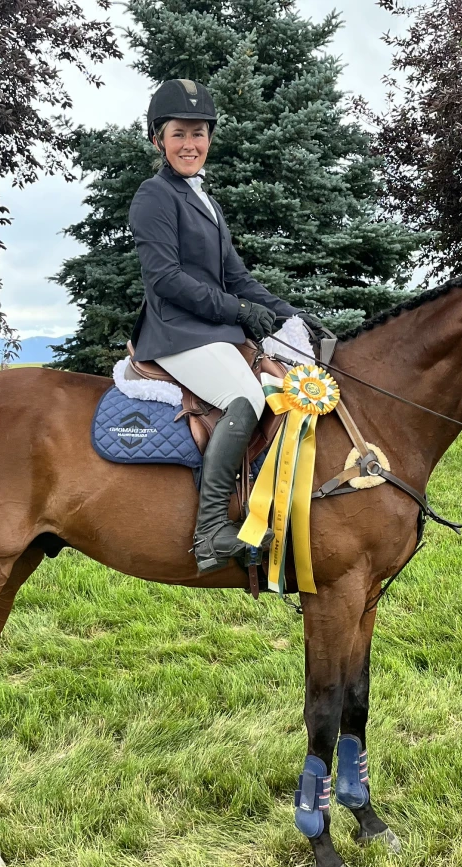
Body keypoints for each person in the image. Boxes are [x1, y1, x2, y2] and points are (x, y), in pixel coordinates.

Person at [129, 79, 329, 574]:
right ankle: (211, 531)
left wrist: (288, 313)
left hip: (212, 331)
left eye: (198, 134)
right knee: (249, 399)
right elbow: (165, 279)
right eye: (179, 134)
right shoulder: (154, 196)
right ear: (159, 139)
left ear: (210, 139)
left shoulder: (207, 203)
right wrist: (236, 312)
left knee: (275, 383)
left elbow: (237, 277)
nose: (189, 144)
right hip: (176, 331)